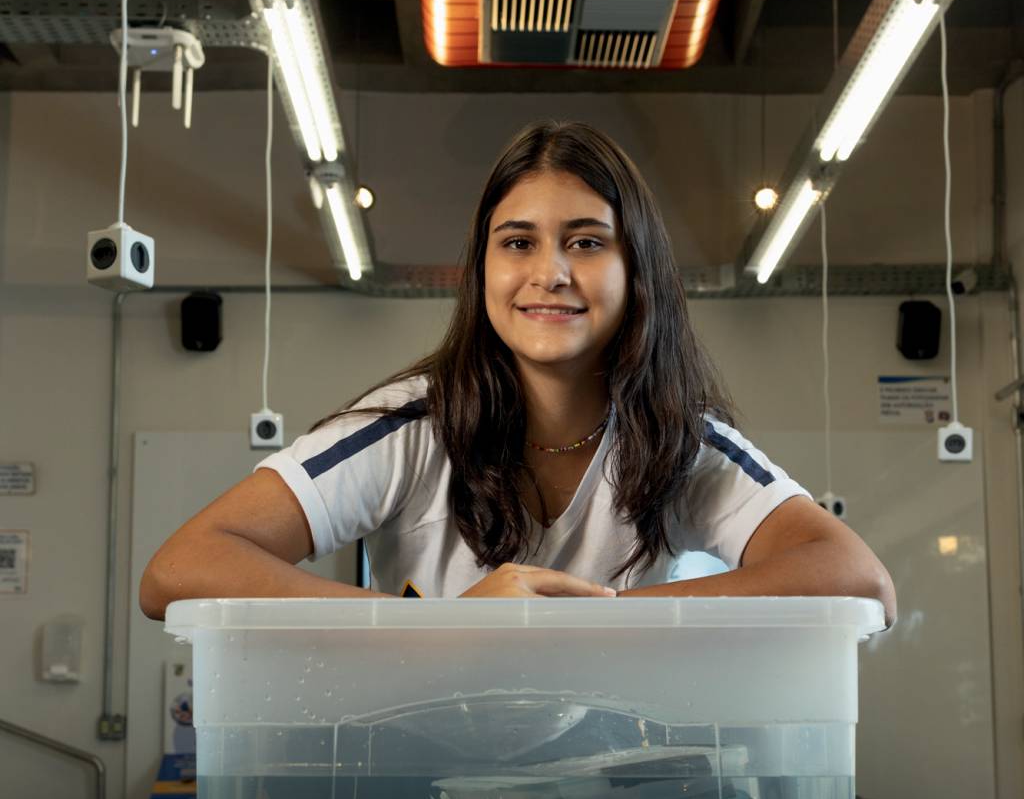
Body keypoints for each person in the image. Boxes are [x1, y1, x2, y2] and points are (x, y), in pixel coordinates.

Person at [140, 119, 895, 621]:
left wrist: (601, 622)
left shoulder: (680, 442)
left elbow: (859, 578)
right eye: (518, 242)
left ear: (640, 272)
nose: (552, 272)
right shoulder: (409, 429)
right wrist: (443, 628)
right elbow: (179, 569)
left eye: (588, 242)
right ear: (483, 270)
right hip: (422, 797)